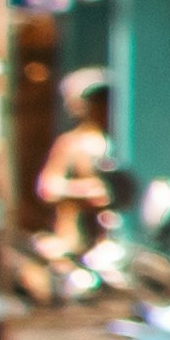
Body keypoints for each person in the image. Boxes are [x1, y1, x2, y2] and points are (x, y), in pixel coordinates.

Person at [33, 68, 123, 257]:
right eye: (94, 101)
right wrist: (84, 191)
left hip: (109, 246)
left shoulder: (119, 141)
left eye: (104, 100)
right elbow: (48, 187)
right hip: (74, 244)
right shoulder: (71, 143)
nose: (100, 106)